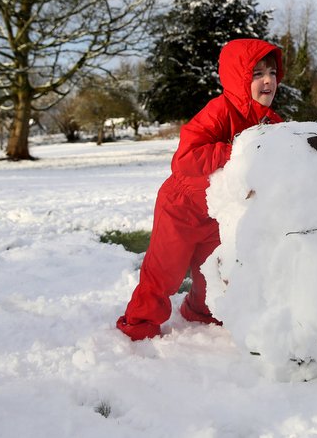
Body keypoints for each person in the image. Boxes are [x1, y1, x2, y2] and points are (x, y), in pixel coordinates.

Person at [116, 38, 283, 340]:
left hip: (217, 212)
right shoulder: (218, 111)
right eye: (257, 74)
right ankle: (139, 322)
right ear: (239, 76)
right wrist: (233, 150)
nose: (268, 80)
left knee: (214, 271)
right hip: (181, 206)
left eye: (271, 72)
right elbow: (184, 160)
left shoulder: (271, 123)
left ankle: (200, 310)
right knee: (165, 272)